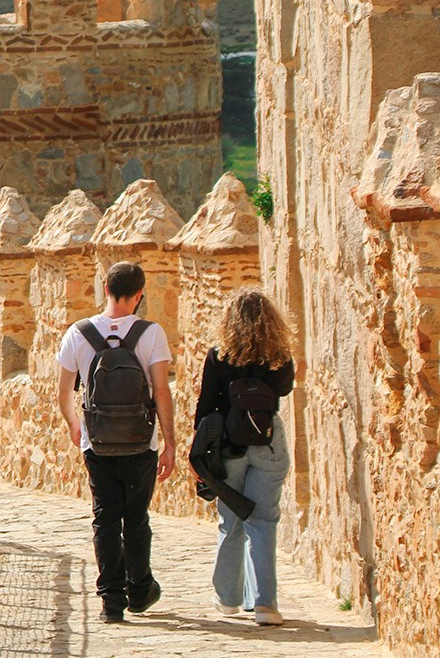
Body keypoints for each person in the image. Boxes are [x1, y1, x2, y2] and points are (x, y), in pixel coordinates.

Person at [56, 261, 175, 624]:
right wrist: (169, 442)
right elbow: (160, 390)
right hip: (142, 441)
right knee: (136, 518)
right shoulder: (151, 333)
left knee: (105, 518)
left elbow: (63, 393)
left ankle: (111, 601)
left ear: (104, 289)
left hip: (99, 442)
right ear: (139, 294)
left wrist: (77, 426)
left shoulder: (78, 333)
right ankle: (140, 591)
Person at [195, 288, 295, 626]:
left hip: (228, 446)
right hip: (268, 441)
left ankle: (228, 599)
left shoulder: (218, 356)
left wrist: (201, 457)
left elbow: (206, 406)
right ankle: (265, 604)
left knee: (231, 518)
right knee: (263, 522)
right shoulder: (279, 356)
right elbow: (283, 389)